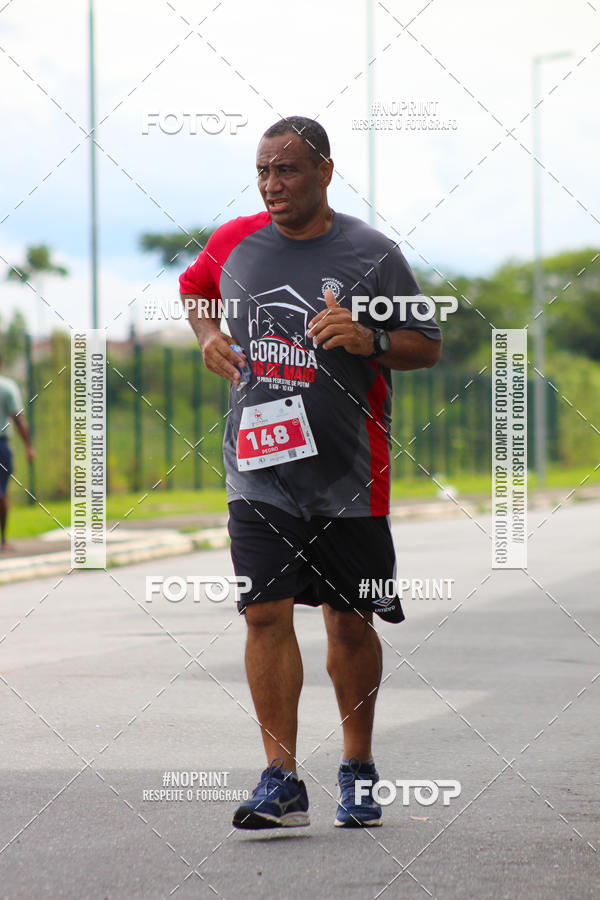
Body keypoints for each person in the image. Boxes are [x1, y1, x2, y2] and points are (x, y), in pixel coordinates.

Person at [180, 116, 442, 830]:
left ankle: (356, 768)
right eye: (263, 172)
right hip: (259, 470)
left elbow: (426, 344)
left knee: (349, 622)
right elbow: (196, 289)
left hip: (349, 477)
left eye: (287, 171)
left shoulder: (371, 254)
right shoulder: (235, 241)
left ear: (325, 171)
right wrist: (209, 337)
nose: (272, 186)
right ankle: (281, 777)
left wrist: (370, 338)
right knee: (263, 611)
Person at [0, 353, 35, 551]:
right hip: (1, 445)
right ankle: (3, 540)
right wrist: (28, 446)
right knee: (1, 492)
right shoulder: (7, 387)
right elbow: (18, 419)